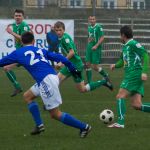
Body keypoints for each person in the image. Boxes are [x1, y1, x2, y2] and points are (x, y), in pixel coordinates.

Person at [0, 31, 91, 138]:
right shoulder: (40, 50)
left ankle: (84, 127)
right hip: (52, 77)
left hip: (46, 81)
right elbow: (60, 58)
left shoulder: (18, 52)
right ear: (33, 41)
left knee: (55, 114)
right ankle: (39, 125)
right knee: (27, 96)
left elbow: (2, 62)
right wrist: (72, 69)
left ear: (21, 41)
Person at [108, 26, 149, 128]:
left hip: (134, 75)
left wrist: (144, 72)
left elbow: (146, 56)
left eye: (120, 35)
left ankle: (120, 123)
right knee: (136, 105)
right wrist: (115, 65)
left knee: (120, 96)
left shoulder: (133, 44)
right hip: (133, 75)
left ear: (123, 35)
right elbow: (123, 61)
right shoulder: (125, 46)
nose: (120, 37)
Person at [54, 21, 113, 93]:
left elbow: (72, 52)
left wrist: (61, 63)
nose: (58, 32)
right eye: (56, 30)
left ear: (64, 30)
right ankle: (51, 103)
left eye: (60, 30)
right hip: (69, 65)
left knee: (82, 89)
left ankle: (104, 82)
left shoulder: (65, 39)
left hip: (75, 66)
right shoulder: (61, 38)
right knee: (55, 82)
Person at [5, 9, 30, 97]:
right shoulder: (15, 25)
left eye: (19, 15)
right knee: (7, 68)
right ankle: (17, 87)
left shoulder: (24, 26)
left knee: (6, 67)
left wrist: (11, 32)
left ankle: (18, 87)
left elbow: (24, 39)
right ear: (14, 16)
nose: (17, 17)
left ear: (23, 17)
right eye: (16, 15)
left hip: (24, 54)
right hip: (19, 52)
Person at [85, 16, 110, 83]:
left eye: (93, 19)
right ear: (89, 20)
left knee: (95, 66)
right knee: (87, 64)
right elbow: (89, 37)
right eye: (90, 19)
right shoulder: (89, 27)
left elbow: (102, 37)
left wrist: (96, 46)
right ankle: (90, 82)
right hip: (89, 48)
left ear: (95, 20)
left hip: (96, 49)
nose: (92, 20)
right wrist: (88, 44)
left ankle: (105, 75)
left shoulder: (98, 27)